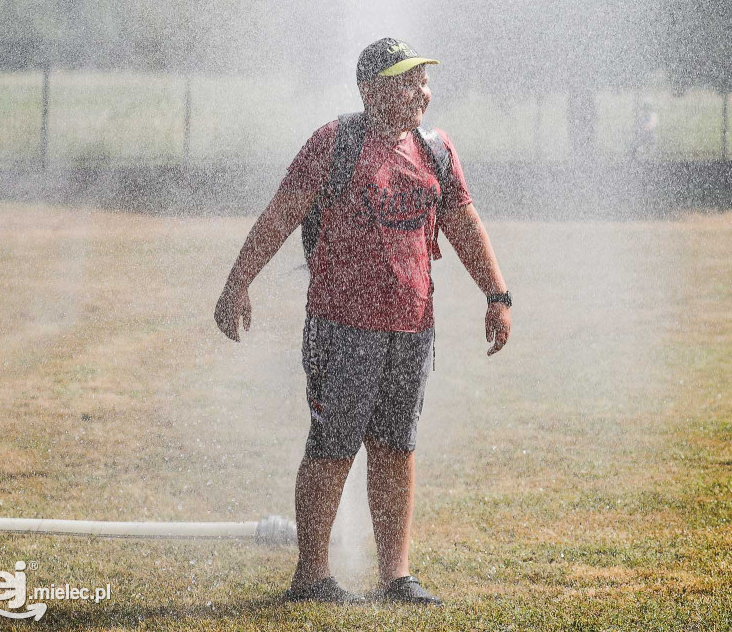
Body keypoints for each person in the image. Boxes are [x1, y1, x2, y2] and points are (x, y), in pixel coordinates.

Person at [213, 38, 512, 604]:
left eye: (424, 80)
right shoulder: (335, 144)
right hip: (341, 326)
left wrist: (498, 294)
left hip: (412, 327)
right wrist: (237, 283)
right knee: (333, 446)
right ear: (370, 90)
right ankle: (312, 575)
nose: (422, 91)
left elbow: (464, 224)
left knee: (397, 446)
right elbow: (280, 216)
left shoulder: (437, 150)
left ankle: (397, 576)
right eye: (408, 80)